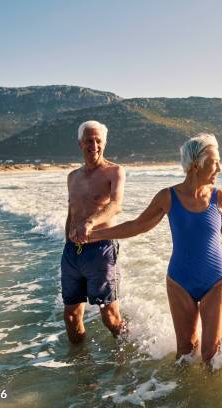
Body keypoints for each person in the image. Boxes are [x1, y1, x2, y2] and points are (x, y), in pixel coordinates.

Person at [85, 133, 222, 362]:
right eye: (215, 162)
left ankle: (206, 396)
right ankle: (179, 396)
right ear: (196, 164)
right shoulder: (168, 197)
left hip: (215, 281)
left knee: (210, 355)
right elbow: (137, 226)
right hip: (179, 282)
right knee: (185, 352)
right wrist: (93, 236)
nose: (220, 168)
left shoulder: (219, 198)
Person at [61, 120, 126, 344]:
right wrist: (66, 244)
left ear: (105, 143)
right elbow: (71, 212)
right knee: (70, 316)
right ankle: (81, 368)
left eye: (99, 141)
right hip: (72, 253)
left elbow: (116, 205)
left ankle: (128, 359)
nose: (95, 145)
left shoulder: (114, 172)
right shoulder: (72, 177)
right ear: (80, 143)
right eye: (89, 140)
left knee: (110, 317)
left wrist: (90, 222)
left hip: (101, 249)